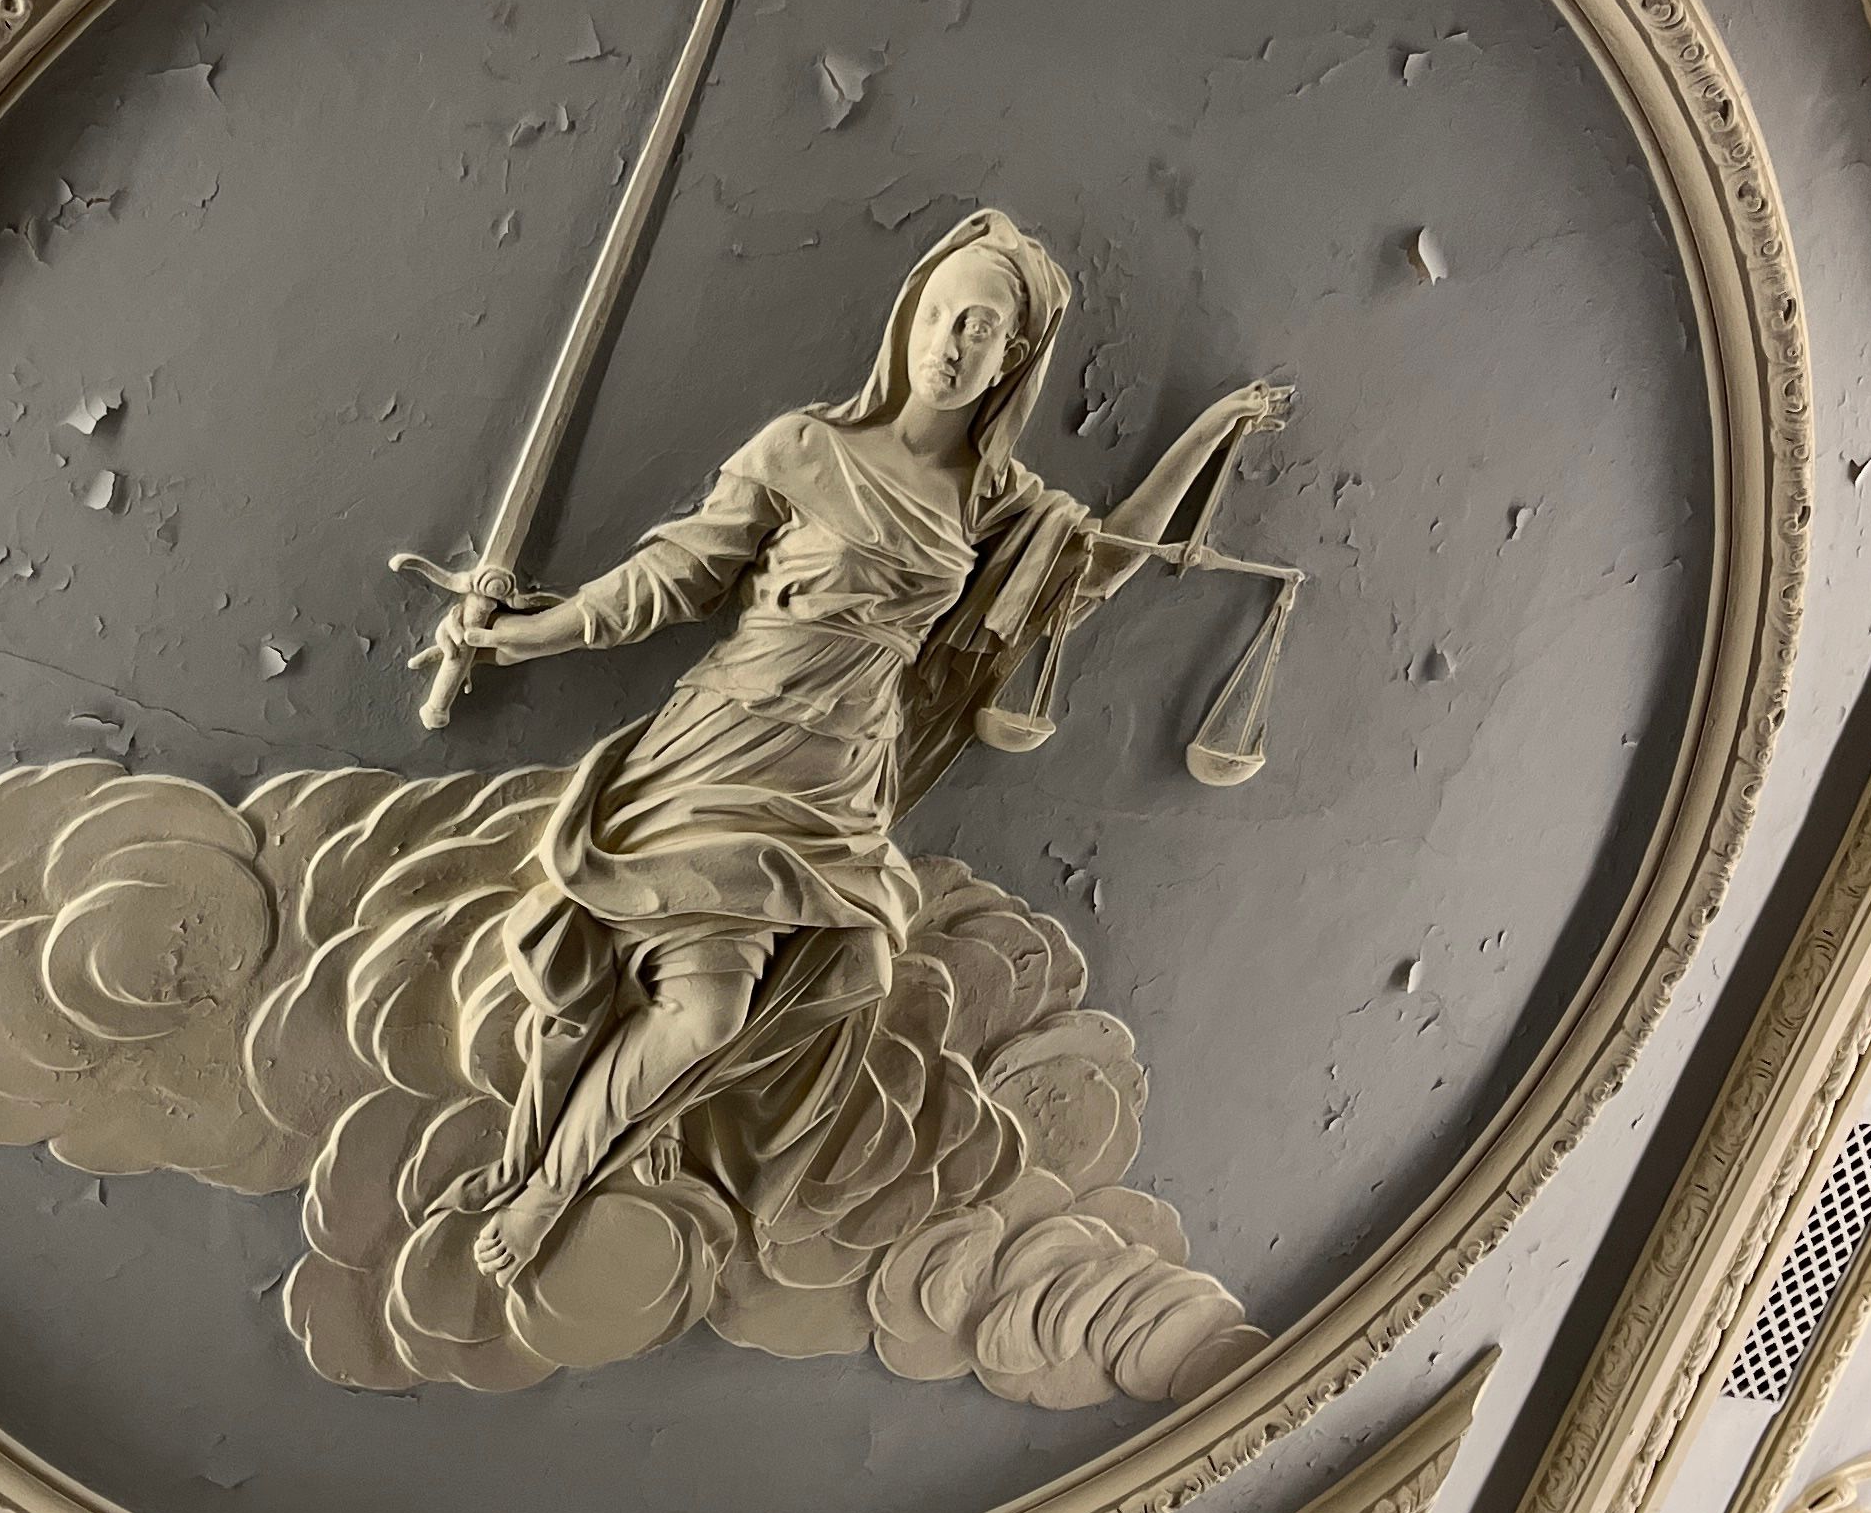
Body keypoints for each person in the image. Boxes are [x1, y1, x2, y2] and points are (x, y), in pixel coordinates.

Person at [405, 208, 1288, 1286]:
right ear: (908, 314)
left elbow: (1096, 566)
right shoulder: (802, 447)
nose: (951, 345)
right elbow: (671, 579)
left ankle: (560, 1184)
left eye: (981, 330)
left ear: (1013, 359)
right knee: (671, 1000)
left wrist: (1209, 436)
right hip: (724, 747)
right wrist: (522, 637)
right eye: (940, 315)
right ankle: (541, 1177)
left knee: (732, 1013)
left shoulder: (997, 505)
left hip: (838, 787)